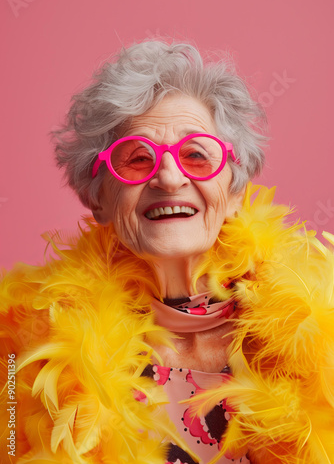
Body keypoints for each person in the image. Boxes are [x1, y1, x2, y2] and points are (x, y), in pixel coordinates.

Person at [1, 41, 333, 464]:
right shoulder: (20, 350)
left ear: (234, 192)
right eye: (137, 159)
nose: (169, 177)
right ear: (97, 198)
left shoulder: (322, 331)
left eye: (196, 155)